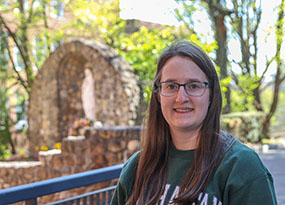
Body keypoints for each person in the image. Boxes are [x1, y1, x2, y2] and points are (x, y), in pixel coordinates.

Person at [110, 40, 277, 204]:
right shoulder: (137, 167)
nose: (181, 98)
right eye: (171, 86)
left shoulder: (242, 168)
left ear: (211, 95)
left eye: (194, 86)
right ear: (158, 95)